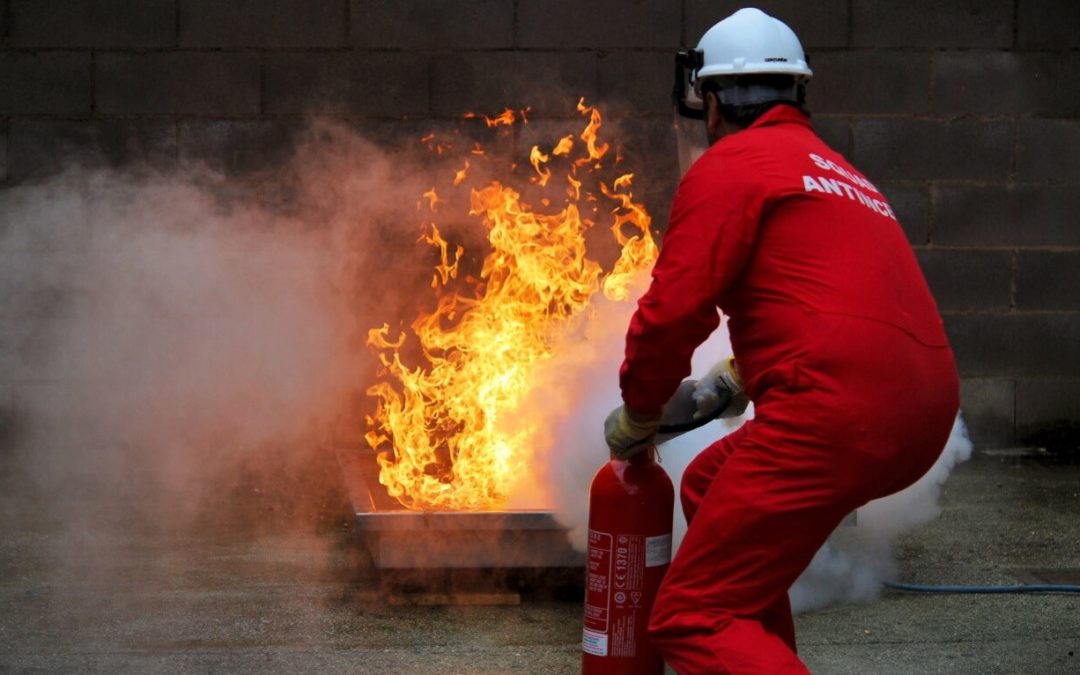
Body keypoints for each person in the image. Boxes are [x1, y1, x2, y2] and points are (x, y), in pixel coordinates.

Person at [603, 7, 960, 674]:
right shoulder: (839, 173)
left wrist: (640, 410)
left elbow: (673, 313)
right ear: (798, 93)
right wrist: (745, 372)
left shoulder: (729, 166)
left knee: (690, 615)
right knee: (711, 481)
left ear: (710, 105)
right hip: (925, 412)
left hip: (834, 413)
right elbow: (841, 304)